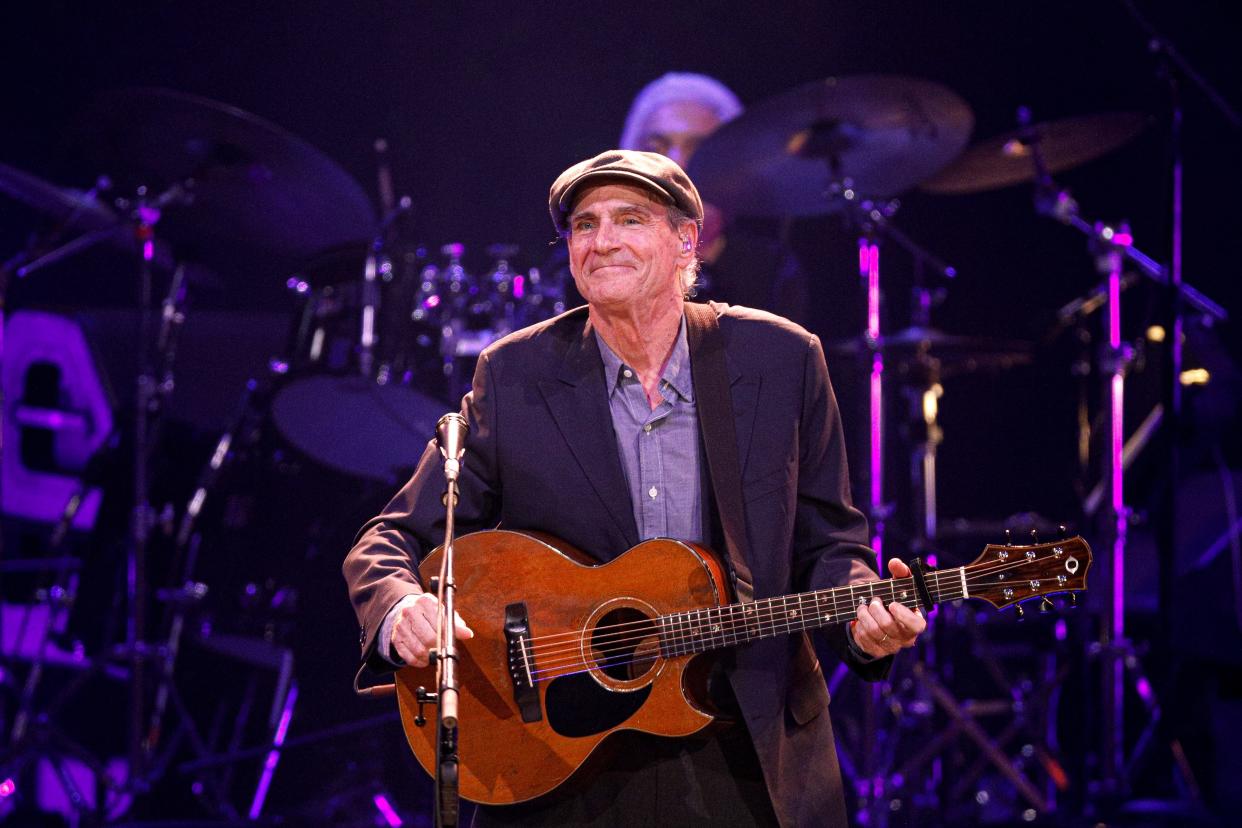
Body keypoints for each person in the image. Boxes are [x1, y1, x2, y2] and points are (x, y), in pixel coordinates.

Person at [343, 149, 926, 826]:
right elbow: (393, 537)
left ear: (687, 240)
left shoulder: (781, 359)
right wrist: (399, 605)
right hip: (565, 753)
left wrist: (863, 618)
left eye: (629, 218)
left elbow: (831, 542)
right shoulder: (514, 375)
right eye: (584, 225)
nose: (602, 240)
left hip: (747, 744)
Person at [617, 72, 810, 328]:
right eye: (656, 148)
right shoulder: (598, 255)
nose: (676, 163)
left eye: (697, 148)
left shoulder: (772, 270)